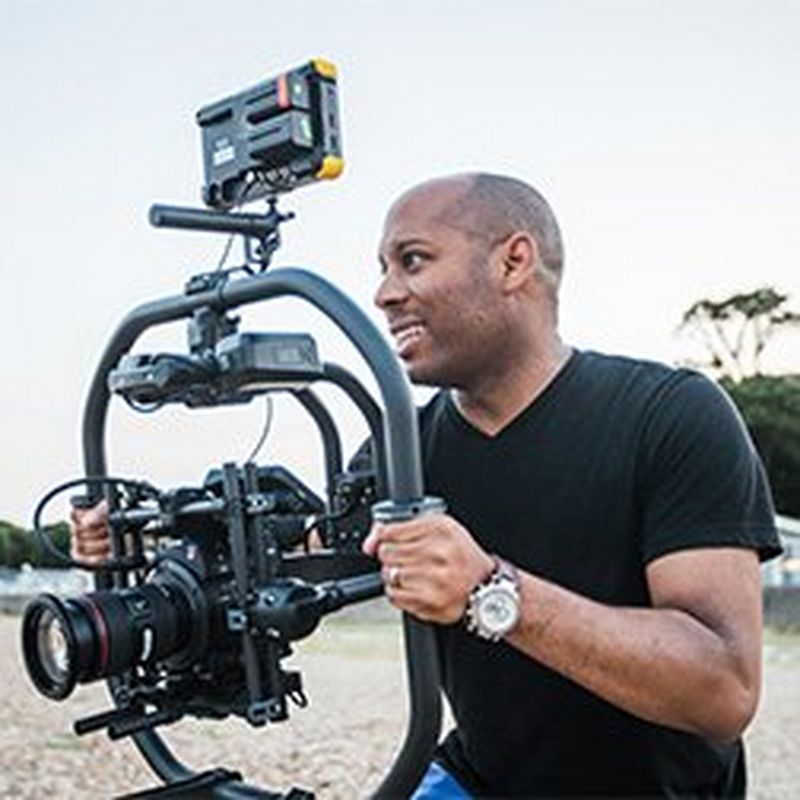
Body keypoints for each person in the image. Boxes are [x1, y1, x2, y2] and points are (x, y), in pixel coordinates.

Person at [73, 173, 781, 797]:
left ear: (514, 261)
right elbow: (287, 567)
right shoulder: (398, 449)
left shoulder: (671, 415)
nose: (384, 294)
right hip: (477, 775)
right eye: (381, 267)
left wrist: (489, 591)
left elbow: (723, 688)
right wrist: (144, 549)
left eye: (412, 260)